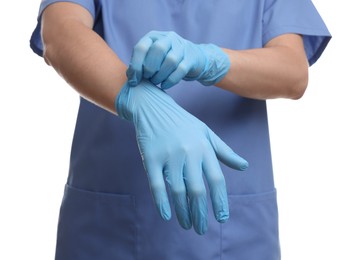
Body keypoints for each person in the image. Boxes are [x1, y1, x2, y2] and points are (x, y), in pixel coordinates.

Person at [30, 0, 331, 259]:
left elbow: (293, 71)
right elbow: (60, 31)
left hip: (236, 231)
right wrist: (138, 99)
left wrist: (210, 60)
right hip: (108, 228)